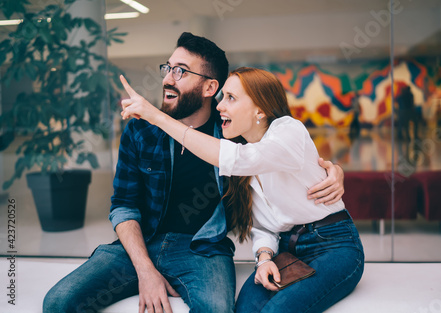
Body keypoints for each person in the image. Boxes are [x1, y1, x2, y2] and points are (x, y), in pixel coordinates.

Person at [43, 33, 344, 313]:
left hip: (201, 251)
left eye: (181, 71)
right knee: (57, 302)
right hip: (139, 243)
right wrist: (145, 269)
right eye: (168, 68)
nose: (167, 79)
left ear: (210, 88)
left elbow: (282, 152)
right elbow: (123, 204)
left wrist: (332, 169)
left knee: (217, 309)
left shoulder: (232, 132)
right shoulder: (140, 130)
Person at [120, 66, 364, 313]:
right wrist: (265, 258)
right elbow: (265, 226)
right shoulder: (243, 156)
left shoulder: (288, 131)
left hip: (335, 244)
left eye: (231, 98)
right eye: (222, 96)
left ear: (260, 110)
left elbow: (237, 158)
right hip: (288, 249)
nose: (219, 106)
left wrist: (156, 116)